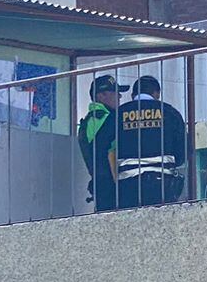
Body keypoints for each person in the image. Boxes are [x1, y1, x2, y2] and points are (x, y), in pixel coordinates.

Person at [114, 75, 188, 208]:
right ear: (157, 93)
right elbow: (185, 150)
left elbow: (100, 145)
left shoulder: (118, 114)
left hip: (128, 184)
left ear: (133, 95)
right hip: (162, 183)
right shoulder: (170, 112)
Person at [78, 74, 124, 212]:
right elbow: (107, 148)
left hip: (104, 182)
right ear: (101, 96)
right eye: (115, 92)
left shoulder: (94, 119)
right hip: (108, 183)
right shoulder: (101, 118)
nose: (120, 96)